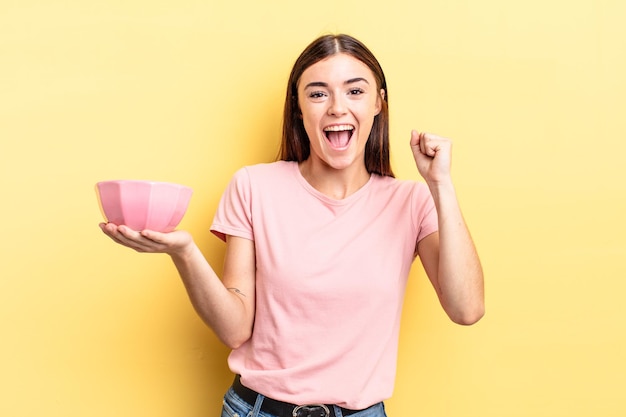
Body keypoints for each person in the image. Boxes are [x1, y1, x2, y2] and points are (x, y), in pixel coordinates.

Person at [100, 33, 484, 417]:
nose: (337, 108)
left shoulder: (412, 202)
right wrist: (183, 252)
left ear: (379, 102)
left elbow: (466, 309)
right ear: (298, 108)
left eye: (355, 91)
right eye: (318, 94)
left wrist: (441, 184)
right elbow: (235, 330)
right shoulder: (253, 186)